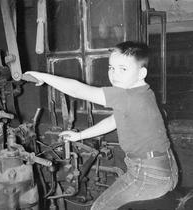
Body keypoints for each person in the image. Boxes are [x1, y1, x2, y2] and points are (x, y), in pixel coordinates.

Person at [24, 41, 178, 210]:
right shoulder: (143, 92)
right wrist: (80, 135)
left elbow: (77, 91)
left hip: (148, 174)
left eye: (123, 69)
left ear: (141, 73)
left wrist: (42, 76)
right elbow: (114, 120)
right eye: (111, 67)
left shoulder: (128, 96)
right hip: (163, 167)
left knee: (99, 207)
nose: (114, 74)